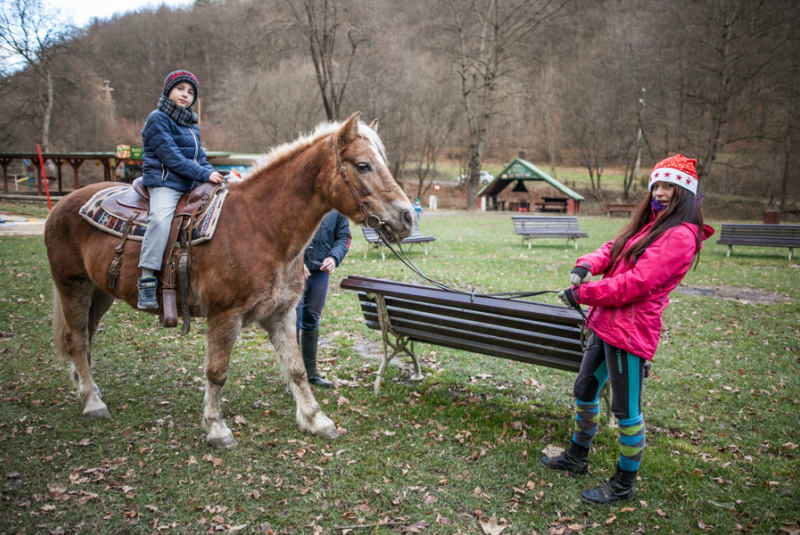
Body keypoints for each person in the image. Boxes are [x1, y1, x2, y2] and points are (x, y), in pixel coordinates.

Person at [541, 154, 715, 504]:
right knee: (585, 390)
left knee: (626, 411)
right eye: (658, 185)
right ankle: (577, 456)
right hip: (606, 323)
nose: (661, 192)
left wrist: (583, 292)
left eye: (670, 187)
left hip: (631, 332)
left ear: (685, 193)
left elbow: (636, 283)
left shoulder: (679, 236)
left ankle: (623, 483)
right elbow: (615, 248)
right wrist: (587, 264)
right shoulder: (651, 222)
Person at [137, 70, 224, 309]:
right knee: (161, 220)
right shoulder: (157, 118)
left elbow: (200, 158)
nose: (185, 95)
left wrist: (213, 176)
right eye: (180, 89)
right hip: (165, 183)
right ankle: (146, 279)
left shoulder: (191, 124)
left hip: (190, 184)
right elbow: (172, 158)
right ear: (168, 90)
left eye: (190, 92)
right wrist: (203, 174)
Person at [297, 210, 351, 388]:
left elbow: (344, 237)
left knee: (311, 319)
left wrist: (334, 258)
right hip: (294, 271)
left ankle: (311, 373)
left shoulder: (338, 207)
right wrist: (297, 261)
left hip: (320, 272)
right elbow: (281, 232)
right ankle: (295, 377)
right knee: (293, 322)